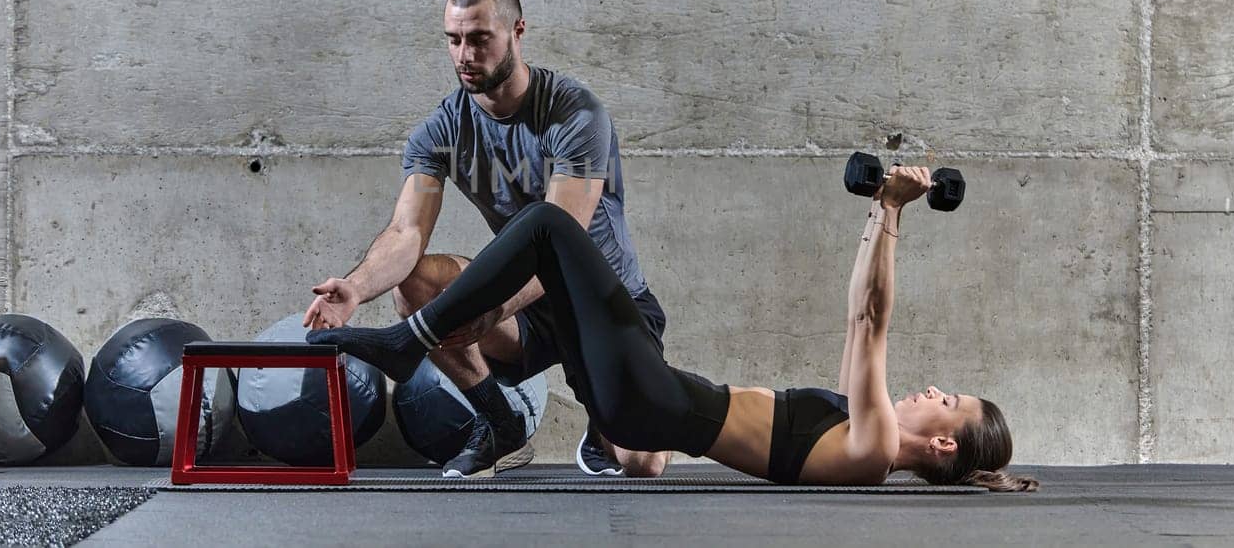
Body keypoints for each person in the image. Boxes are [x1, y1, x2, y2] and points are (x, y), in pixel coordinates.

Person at [309, 168, 1038, 490]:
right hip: (645, 403)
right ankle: (495, 416)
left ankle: (413, 343)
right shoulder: (861, 439)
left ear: (943, 442)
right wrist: (879, 208)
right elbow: (859, 322)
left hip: (653, 400)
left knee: (549, 226)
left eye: (951, 401)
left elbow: (869, 320)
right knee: (558, 266)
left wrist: (896, 213)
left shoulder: (875, 448)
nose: (935, 389)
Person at [303, 0, 671, 479]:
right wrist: (355, 288)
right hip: (529, 315)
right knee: (415, 282)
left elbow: (561, 240)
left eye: (479, 39)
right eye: (453, 40)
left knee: (642, 463)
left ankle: (604, 406)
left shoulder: (574, 113)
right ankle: (500, 421)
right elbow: (405, 235)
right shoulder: (443, 129)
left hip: (605, 299)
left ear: (517, 32)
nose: (464, 55)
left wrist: (488, 305)